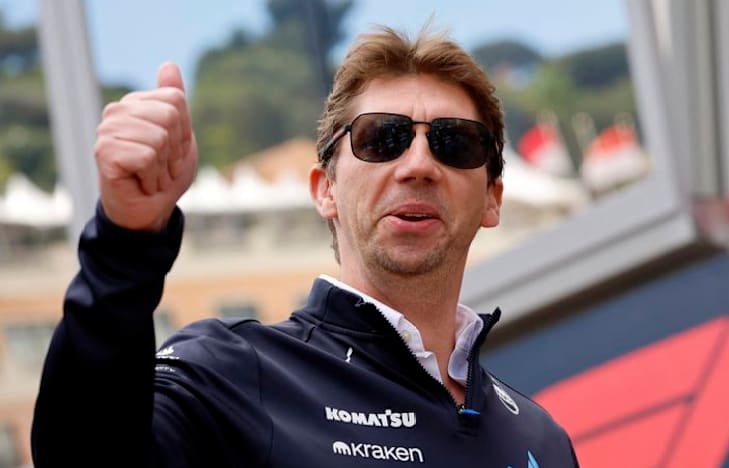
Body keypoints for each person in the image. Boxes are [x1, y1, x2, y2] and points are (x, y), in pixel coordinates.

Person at [31, 26, 579, 467]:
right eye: (381, 138)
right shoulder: (235, 372)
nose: (418, 165)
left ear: (492, 199)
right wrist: (125, 241)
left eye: (454, 142)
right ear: (325, 190)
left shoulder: (543, 440)